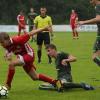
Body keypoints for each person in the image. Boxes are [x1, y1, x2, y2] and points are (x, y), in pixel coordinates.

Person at [0, 27, 61, 91]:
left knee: (11, 64)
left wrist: (44, 29)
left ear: (7, 39)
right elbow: (9, 49)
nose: (1, 44)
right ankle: (55, 82)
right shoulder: (6, 45)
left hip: (29, 55)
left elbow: (31, 33)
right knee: (35, 77)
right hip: (23, 57)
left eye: (2, 42)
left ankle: (8, 85)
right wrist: (7, 54)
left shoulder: (18, 39)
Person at [78, 0, 100, 66]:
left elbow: (98, 19)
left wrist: (84, 22)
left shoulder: (98, 6)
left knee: (95, 57)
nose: (89, 1)